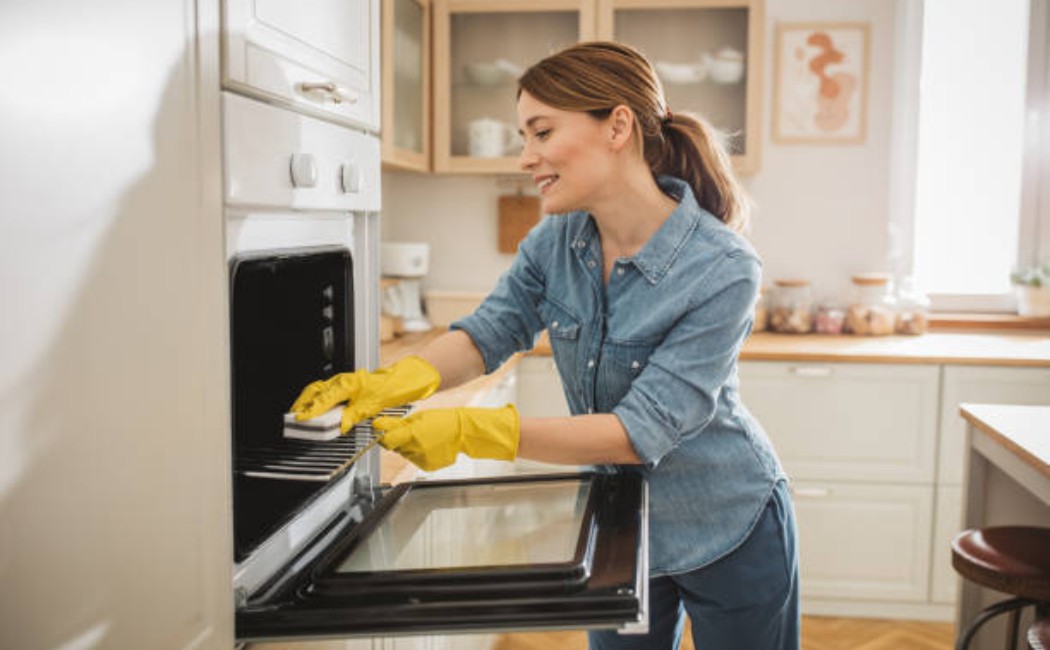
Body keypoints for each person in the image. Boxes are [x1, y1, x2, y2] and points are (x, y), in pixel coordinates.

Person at [291, 41, 799, 650]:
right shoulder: (556, 240)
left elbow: (640, 432)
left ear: (617, 126)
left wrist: (472, 430)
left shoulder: (723, 266)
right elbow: (488, 333)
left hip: (729, 521)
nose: (526, 157)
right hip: (619, 522)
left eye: (542, 131)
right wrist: (391, 382)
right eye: (523, 137)